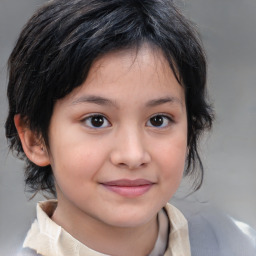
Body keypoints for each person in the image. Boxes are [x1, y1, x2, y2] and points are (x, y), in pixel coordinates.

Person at [5, 0, 215, 255]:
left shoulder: (236, 245)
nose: (133, 155)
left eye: (158, 120)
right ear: (35, 138)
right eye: (96, 120)